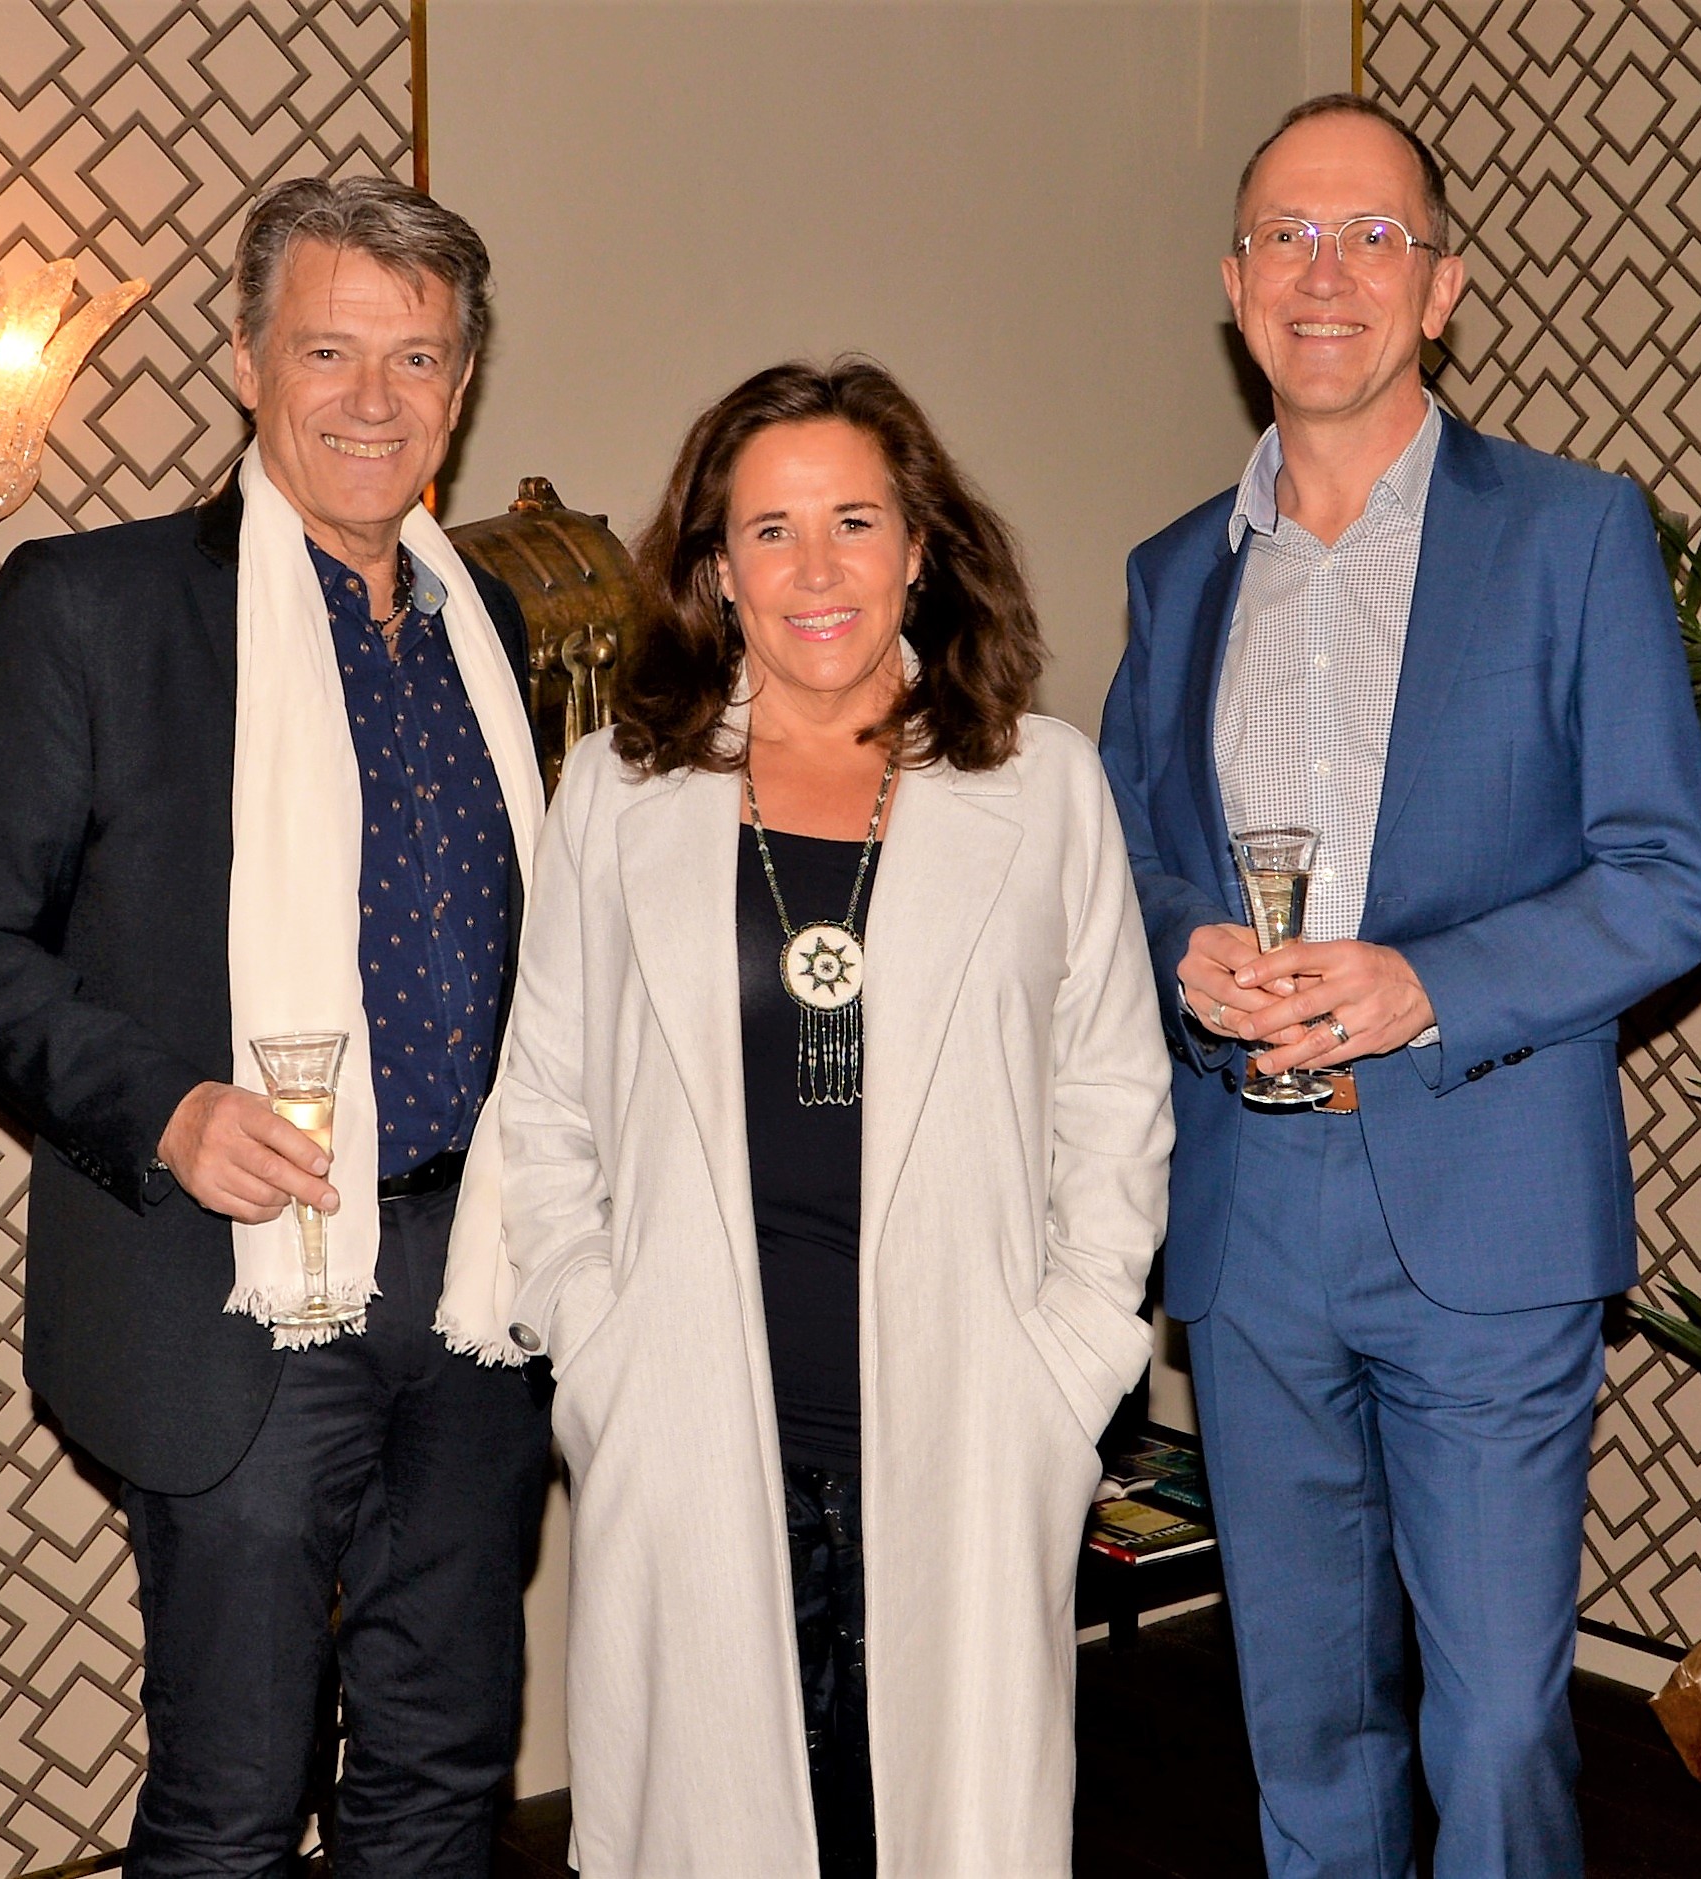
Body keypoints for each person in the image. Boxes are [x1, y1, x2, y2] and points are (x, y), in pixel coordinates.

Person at [1099, 95, 1701, 1878]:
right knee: (1307, 1725)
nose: (1328, 274)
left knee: (1503, 1723)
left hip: (1486, 1210)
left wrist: (1422, 986)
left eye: (1373, 236)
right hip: (1249, 1220)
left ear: (1441, 288)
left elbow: (1674, 878)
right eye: (1288, 238)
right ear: (1236, 286)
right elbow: (1123, 853)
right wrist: (1179, 941)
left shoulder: (1572, 534)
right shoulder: (1175, 572)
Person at [0, 177, 552, 1876]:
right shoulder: (96, 608)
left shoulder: (492, 626)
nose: (373, 398)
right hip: (233, 1294)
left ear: (462, 384)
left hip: (477, 1286)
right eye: (329, 350)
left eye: (417, 358)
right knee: (233, 1802)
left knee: (442, 1774)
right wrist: (168, 1111)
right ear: (248, 359)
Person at [498, 358, 1174, 1877]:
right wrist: (594, 1340)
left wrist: (1073, 1359)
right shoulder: (619, 791)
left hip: (968, 1415)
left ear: (919, 549)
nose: (818, 569)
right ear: (715, 571)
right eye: (772, 530)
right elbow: (543, 1100)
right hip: (692, 1411)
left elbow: (1115, 1097)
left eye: (855, 522)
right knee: (718, 1829)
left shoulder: (1045, 786)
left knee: (933, 1831)